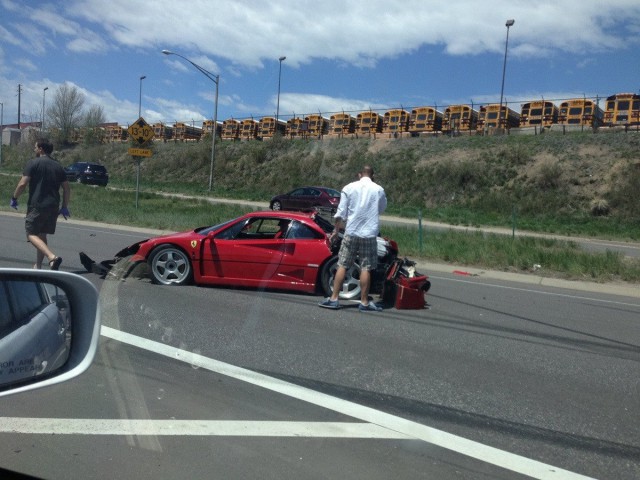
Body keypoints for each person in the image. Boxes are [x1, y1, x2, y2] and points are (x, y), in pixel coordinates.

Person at [319, 165, 387, 312]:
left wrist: (336, 231)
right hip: (369, 234)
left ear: (359, 174)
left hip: (351, 232)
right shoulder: (378, 190)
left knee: (343, 264)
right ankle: (364, 302)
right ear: (372, 176)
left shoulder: (349, 188)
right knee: (366, 267)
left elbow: (341, 212)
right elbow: (381, 208)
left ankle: (334, 299)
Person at [11, 138, 71, 270]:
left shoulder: (33, 163)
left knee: (31, 234)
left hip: (37, 205)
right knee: (42, 234)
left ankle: (52, 257)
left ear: (41, 149)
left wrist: (14, 197)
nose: (34, 149)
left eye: (35, 147)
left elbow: (22, 184)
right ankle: (38, 266)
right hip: (53, 206)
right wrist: (64, 207)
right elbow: (66, 188)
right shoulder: (58, 166)